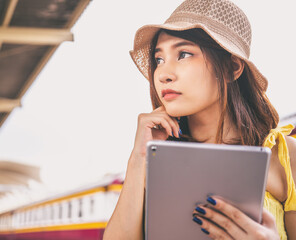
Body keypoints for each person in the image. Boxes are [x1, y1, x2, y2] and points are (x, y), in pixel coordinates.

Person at [103, 0, 296, 239]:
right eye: (159, 59)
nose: (163, 74)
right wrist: (138, 158)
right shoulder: (153, 157)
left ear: (231, 68)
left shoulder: (286, 155)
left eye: (183, 54)